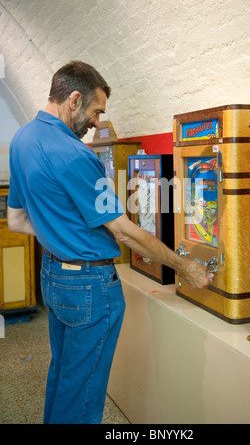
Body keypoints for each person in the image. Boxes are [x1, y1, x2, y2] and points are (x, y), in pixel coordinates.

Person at [7, 60, 213, 424]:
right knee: (84, 394)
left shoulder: (21, 139)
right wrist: (186, 267)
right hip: (89, 286)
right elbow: (124, 231)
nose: (97, 123)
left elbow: (18, 220)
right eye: (96, 110)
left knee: (64, 375)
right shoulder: (76, 155)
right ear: (73, 99)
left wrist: (60, 233)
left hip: (53, 275)